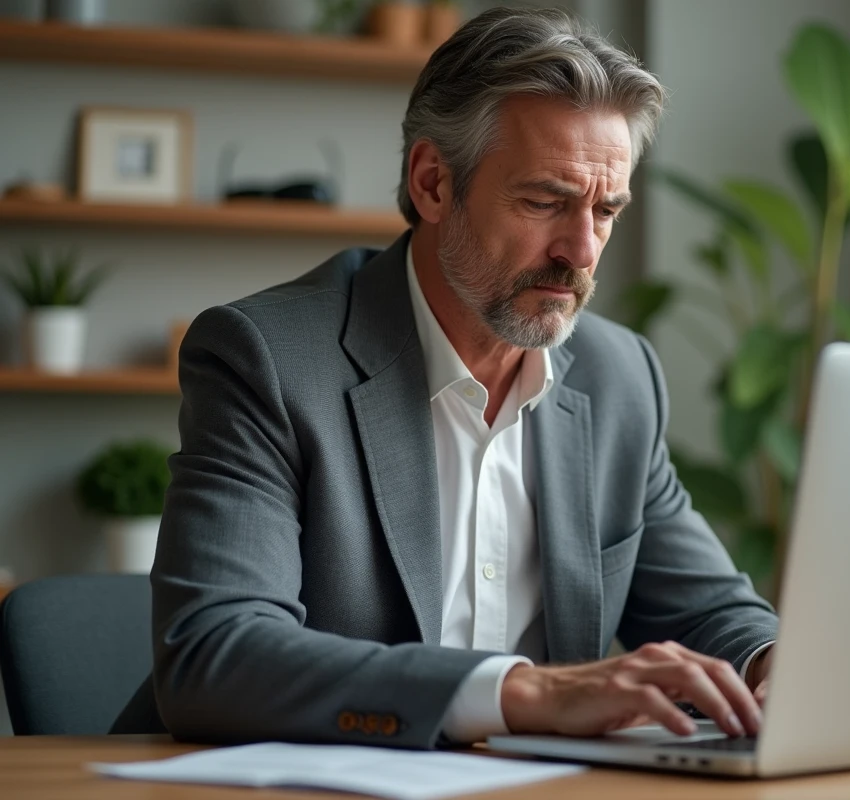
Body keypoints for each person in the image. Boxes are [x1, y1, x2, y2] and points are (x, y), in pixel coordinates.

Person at [150, 7, 779, 749]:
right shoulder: (268, 359)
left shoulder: (620, 378)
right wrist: (525, 692)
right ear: (433, 183)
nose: (581, 251)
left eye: (606, 210)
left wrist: (774, 666)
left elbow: (710, 611)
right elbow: (214, 653)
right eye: (544, 202)